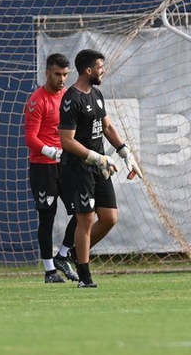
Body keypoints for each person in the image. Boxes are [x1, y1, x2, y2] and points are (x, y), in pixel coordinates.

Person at [57, 49, 139, 289]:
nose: (104, 70)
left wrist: (126, 154)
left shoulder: (97, 94)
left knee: (110, 218)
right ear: (88, 70)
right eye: (100, 67)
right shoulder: (71, 99)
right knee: (85, 220)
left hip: (99, 165)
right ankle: (84, 277)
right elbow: (67, 141)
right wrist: (96, 157)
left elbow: (107, 125)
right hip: (79, 167)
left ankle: (72, 254)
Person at [24, 52, 79, 283]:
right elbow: (30, 137)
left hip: (66, 165)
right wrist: (51, 151)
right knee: (47, 217)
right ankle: (49, 271)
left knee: (83, 211)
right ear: (47, 73)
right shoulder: (38, 100)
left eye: (66, 74)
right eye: (57, 74)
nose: (62, 79)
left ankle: (63, 255)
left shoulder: (67, 96)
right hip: (43, 167)